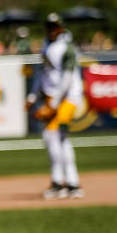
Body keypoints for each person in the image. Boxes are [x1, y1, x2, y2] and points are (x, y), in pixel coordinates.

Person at [27, 13, 84, 200]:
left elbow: (67, 78)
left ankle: (60, 182)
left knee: (52, 136)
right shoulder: (46, 46)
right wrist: (33, 95)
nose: (51, 30)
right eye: (49, 27)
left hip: (67, 97)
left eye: (55, 27)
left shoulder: (67, 47)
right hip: (52, 98)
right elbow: (41, 74)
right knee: (58, 138)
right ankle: (71, 183)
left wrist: (55, 103)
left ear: (61, 28)